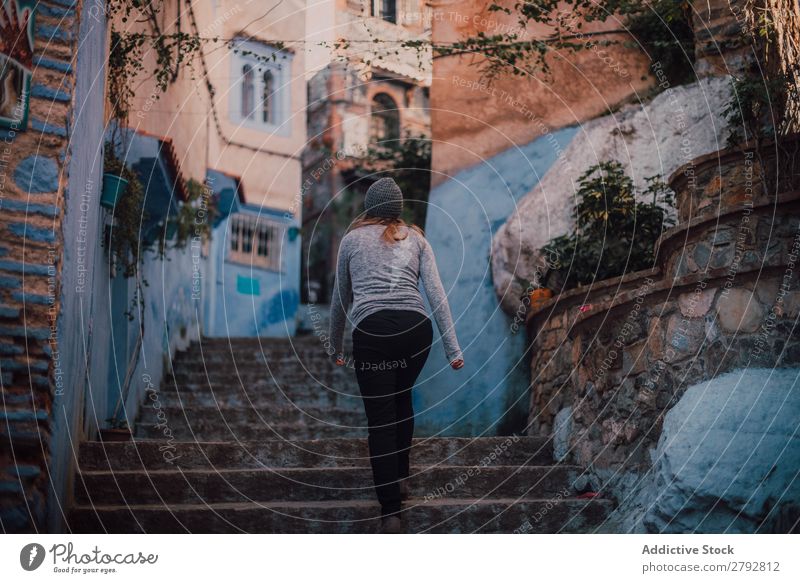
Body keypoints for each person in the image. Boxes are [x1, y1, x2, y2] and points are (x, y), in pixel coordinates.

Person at [328, 176, 464, 534]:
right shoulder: (417, 239)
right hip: (416, 332)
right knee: (401, 399)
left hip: (373, 331)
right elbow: (436, 294)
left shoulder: (351, 240)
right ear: (398, 209)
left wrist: (335, 344)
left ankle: (391, 511)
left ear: (369, 208)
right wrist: (452, 349)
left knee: (381, 418)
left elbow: (340, 299)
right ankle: (401, 478)